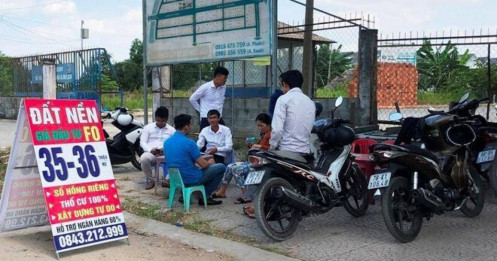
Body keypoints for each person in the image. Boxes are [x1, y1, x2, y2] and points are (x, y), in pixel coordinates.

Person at [211, 113, 271, 208]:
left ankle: (247, 195)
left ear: (268, 124)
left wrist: (259, 146)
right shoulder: (264, 135)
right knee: (230, 166)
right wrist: (251, 146)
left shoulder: (271, 135)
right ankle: (222, 191)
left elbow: (272, 148)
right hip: (254, 161)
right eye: (258, 126)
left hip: (261, 164)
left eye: (261, 126)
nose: (259, 128)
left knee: (237, 169)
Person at [164, 114, 226, 205]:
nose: (191, 127)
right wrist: (209, 163)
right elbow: (204, 165)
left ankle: (184, 195)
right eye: (190, 125)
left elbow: (179, 160)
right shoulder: (189, 142)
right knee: (221, 167)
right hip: (191, 178)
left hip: (175, 178)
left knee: (194, 168)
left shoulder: (167, 142)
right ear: (186, 127)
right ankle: (205, 196)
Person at [270, 70, 315, 155]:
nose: (281, 88)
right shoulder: (310, 102)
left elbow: (277, 130)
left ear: (285, 84)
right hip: (305, 153)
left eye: (280, 85)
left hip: (286, 151)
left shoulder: (283, 99)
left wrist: (272, 147)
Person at [139, 106, 175, 190]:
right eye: (158, 120)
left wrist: (165, 149)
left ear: (166, 119)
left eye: (163, 121)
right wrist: (150, 150)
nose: (160, 123)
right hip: (151, 153)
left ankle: (167, 180)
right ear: (155, 118)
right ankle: (151, 180)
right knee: (144, 158)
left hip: (166, 153)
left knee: (177, 159)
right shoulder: (148, 128)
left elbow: (173, 143)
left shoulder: (171, 130)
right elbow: (142, 142)